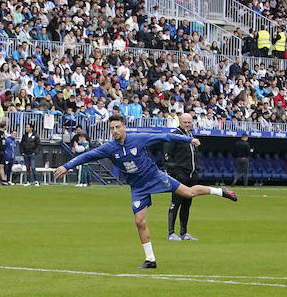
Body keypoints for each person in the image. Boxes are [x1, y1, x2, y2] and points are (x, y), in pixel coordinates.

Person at [54, 114, 238, 269]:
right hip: (138, 187)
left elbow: (166, 137)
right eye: (112, 128)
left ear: (124, 127)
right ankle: (150, 260)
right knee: (139, 221)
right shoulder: (109, 148)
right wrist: (67, 165)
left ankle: (219, 192)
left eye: (118, 127)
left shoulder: (139, 138)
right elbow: (87, 156)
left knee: (188, 193)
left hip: (155, 177)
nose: (115, 131)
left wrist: (188, 139)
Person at [163, 112, 201, 241]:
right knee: (176, 202)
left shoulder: (191, 135)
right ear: (180, 122)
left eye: (189, 122)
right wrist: (175, 172)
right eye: (185, 122)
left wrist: (197, 170)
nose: (187, 124)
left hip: (192, 175)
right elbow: (167, 156)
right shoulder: (174, 135)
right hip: (180, 175)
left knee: (187, 204)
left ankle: (184, 233)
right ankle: (171, 233)